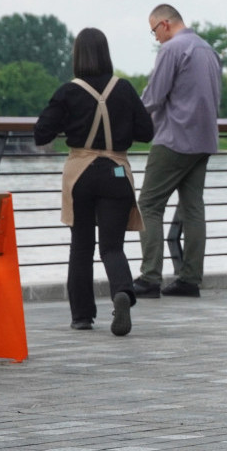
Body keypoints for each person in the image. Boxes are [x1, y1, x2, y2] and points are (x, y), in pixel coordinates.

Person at [34, 28, 154, 335]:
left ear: (77, 55)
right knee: (112, 247)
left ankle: (82, 316)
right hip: (116, 171)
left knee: (81, 247)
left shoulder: (68, 91)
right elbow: (147, 132)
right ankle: (123, 294)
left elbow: (41, 135)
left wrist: (71, 123)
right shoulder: (124, 89)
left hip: (82, 174)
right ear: (106, 54)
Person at [133, 4, 222, 299]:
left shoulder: (172, 50)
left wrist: (128, 117)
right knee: (193, 207)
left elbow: (153, 97)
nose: (155, 38)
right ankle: (190, 279)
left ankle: (149, 279)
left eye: (154, 30)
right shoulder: (208, 50)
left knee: (148, 205)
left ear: (165, 24)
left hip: (174, 139)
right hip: (203, 140)